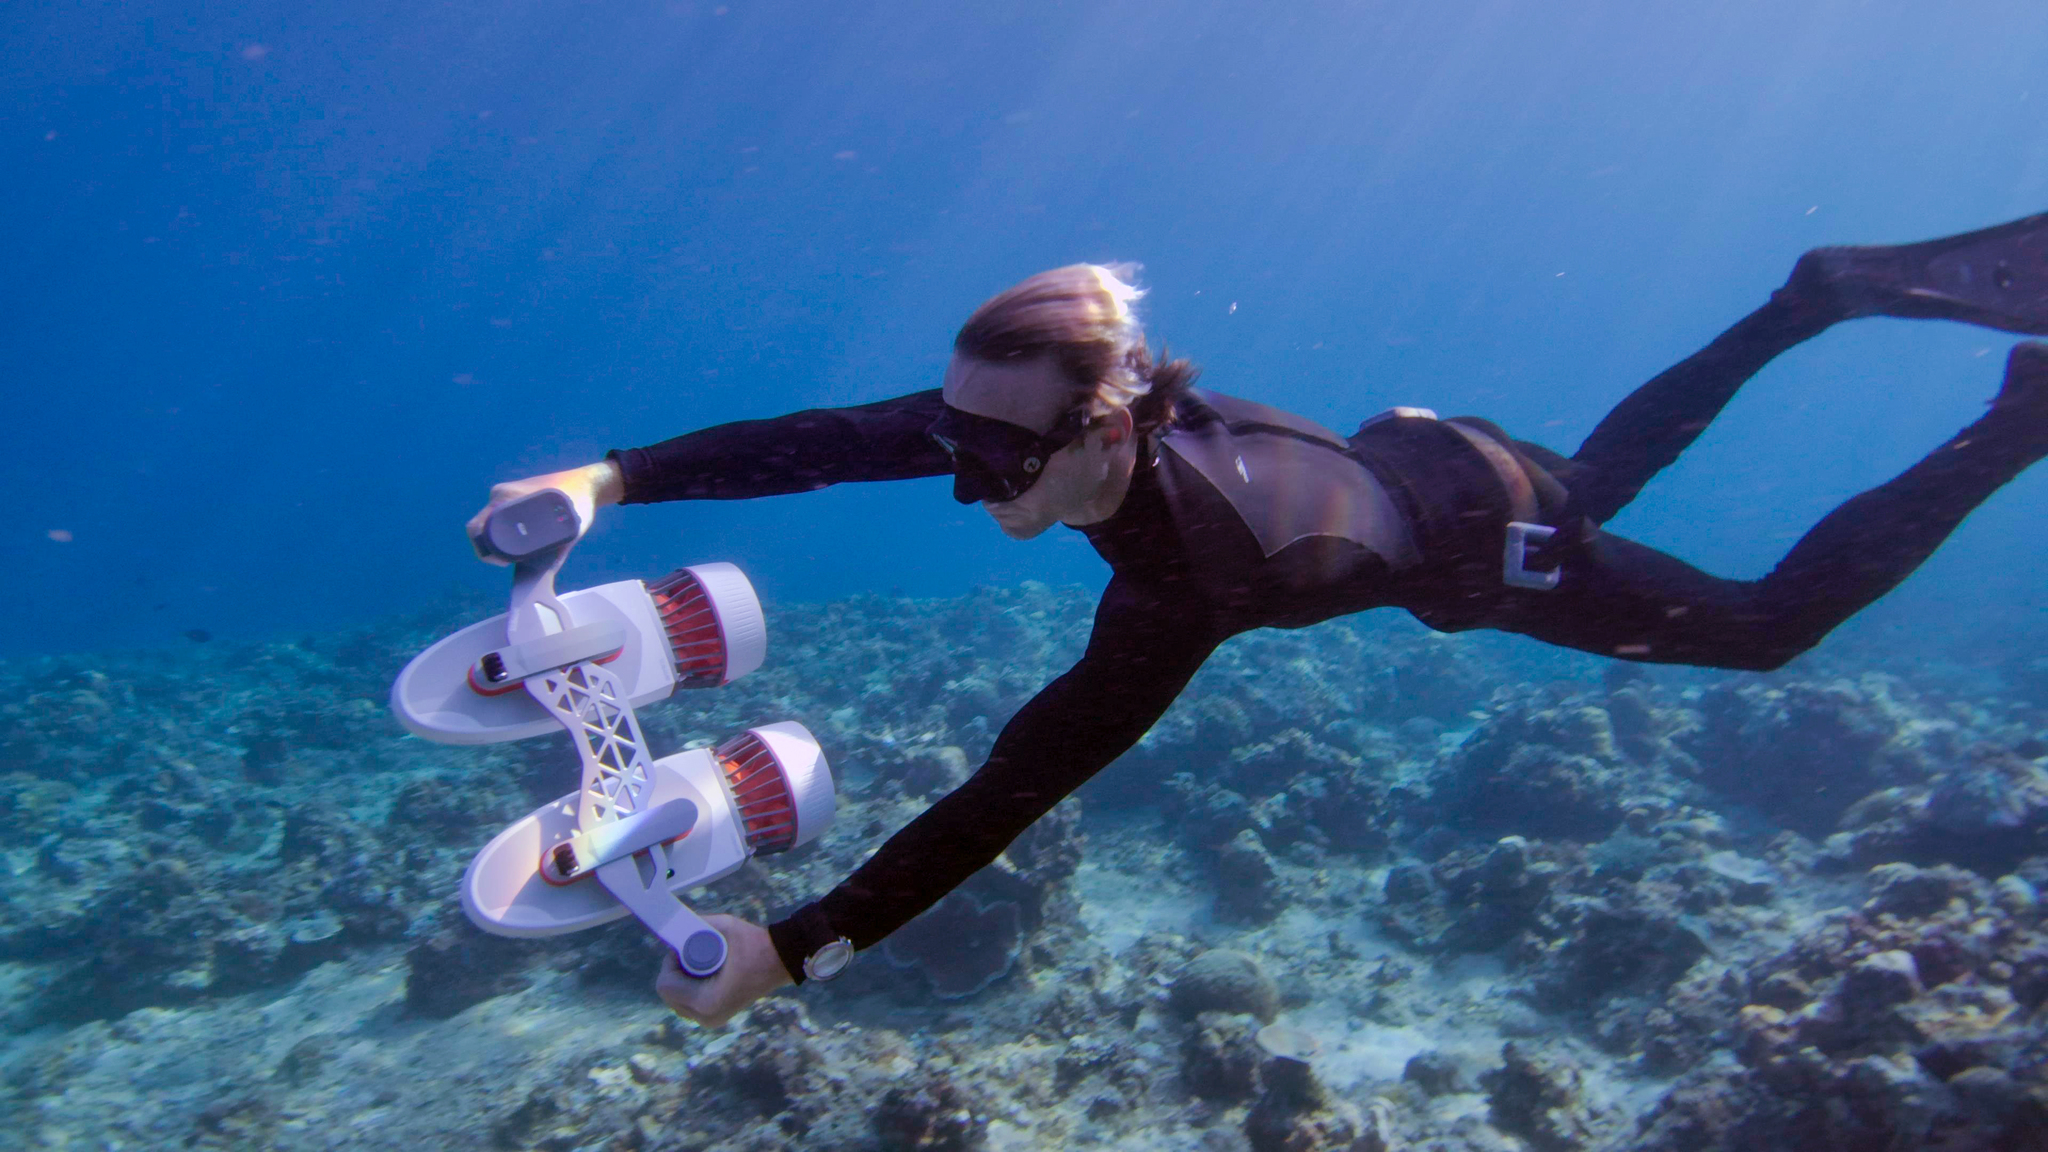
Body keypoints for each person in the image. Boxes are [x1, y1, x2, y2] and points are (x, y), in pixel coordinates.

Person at [469, 213, 2048, 1027]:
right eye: (952, 441)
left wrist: (793, 948)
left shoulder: (1197, 568)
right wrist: (610, 478)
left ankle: (2017, 413)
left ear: (1106, 430)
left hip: (1469, 531)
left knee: (1760, 620)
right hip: (1406, 451)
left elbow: (1021, 778)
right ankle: (1807, 298)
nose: (962, 481)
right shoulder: (1023, 418)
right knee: (1599, 465)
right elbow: (816, 442)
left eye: (998, 460)